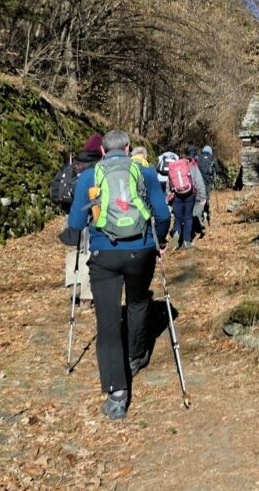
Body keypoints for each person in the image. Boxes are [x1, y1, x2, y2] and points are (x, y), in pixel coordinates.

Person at [60, 129, 170, 420]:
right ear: (129, 148)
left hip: (104, 254)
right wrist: (159, 240)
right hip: (141, 250)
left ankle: (117, 394)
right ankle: (135, 357)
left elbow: (75, 222)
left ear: (103, 152)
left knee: (108, 322)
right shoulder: (144, 172)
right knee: (137, 301)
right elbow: (162, 214)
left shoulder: (90, 175)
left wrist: (74, 234)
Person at [62, 133, 103, 305]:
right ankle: (87, 295)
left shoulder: (76, 164)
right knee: (89, 253)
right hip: (91, 215)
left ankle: (73, 287)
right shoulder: (98, 170)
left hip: (72, 212)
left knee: (74, 250)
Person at [167, 145, 206, 250]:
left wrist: (169, 196)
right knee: (188, 217)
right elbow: (199, 182)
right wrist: (203, 196)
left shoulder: (174, 166)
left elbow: (169, 183)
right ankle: (187, 241)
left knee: (178, 218)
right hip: (190, 195)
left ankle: (176, 236)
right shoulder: (192, 165)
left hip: (176, 195)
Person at [195, 145, 219, 235]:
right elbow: (217, 169)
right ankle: (205, 214)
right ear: (210, 151)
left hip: (198, 182)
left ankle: (199, 216)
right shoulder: (213, 158)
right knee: (206, 198)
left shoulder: (197, 158)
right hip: (208, 182)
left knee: (200, 198)